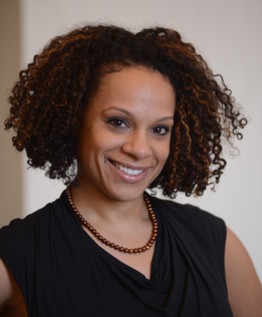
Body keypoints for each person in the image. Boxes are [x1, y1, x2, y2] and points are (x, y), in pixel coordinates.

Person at [0, 24, 261, 317]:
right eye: (118, 122)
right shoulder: (18, 255)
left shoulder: (216, 243)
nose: (140, 149)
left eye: (160, 129)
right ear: (74, 119)